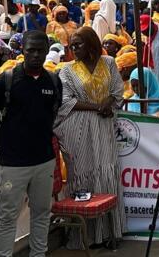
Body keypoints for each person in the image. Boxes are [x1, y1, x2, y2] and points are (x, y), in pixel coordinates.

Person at [0, 30, 62, 257]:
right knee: (7, 217)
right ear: (22, 51)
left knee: (42, 213)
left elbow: (51, 115)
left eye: (40, 50)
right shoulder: (4, 81)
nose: (35, 55)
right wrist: (6, 145)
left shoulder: (54, 81)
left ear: (47, 51)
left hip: (44, 162)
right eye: (30, 50)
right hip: (14, 164)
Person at [54, 27, 125, 249]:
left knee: (106, 171)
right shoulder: (67, 71)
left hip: (104, 126)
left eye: (78, 44)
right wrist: (97, 106)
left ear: (91, 43)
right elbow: (66, 101)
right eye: (71, 46)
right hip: (79, 129)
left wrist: (109, 102)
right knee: (82, 174)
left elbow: (117, 91)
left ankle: (108, 234)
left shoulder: (110, 63)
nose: (73, 49)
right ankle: (86, 237)